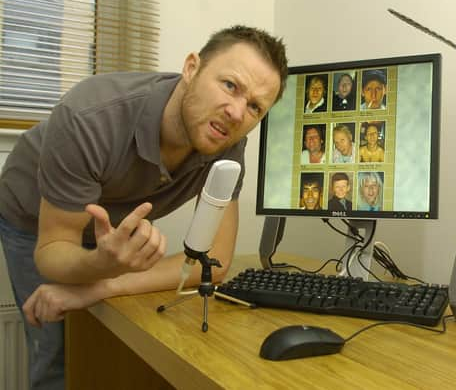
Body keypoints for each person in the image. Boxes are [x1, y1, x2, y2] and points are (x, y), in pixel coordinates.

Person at [0, 25, 288, 390]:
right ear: (191, 68)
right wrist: (99, 266)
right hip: (35, 215)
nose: (236, 112)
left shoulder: (227, 138)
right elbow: (52, 250)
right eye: (230, 85)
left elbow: (213, 262)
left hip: (111, 229)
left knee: (115, 344)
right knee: (57, 352)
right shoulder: (88, 115)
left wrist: (99, 285)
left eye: (254, 107)